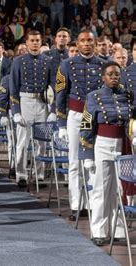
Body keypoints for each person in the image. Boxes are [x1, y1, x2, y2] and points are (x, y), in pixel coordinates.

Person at [79, 62, 134, 246]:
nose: (114, 77)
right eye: (110, 74)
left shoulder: (128, 95)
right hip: (102, 144)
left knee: (119, 188)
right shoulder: (93, 97)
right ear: (103, 77)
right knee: (101, 189)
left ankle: (118, 228)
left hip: (122, 144)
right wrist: (86, 153)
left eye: (117, 74)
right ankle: (99, 231)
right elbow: (86, 126)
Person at [55, 30, 106, 221]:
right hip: (76, 115)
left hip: (95, 117)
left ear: (95, 42)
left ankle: (93, 204)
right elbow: (60, 94)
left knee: (93, 162)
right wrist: (61, 123)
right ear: (77, 43)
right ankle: (77, 205)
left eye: (90, 41)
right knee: (75, 162)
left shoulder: (103, 64)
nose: (86, 44)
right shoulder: (66, 65)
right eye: (83, 41)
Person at [9, 30, 52, 188]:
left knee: (42, 143)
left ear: (41, 42)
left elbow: (52, 86)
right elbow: (13, 88)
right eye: (32, 40)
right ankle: (21, 174)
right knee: (22, 142)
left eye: (37, 40)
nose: (35, 43)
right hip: (25, 101)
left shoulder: (48, 61)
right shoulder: (18, 61)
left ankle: (39, 174)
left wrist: (52, 110)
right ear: (26, 43)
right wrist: (16, 111)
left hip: (42, 103)